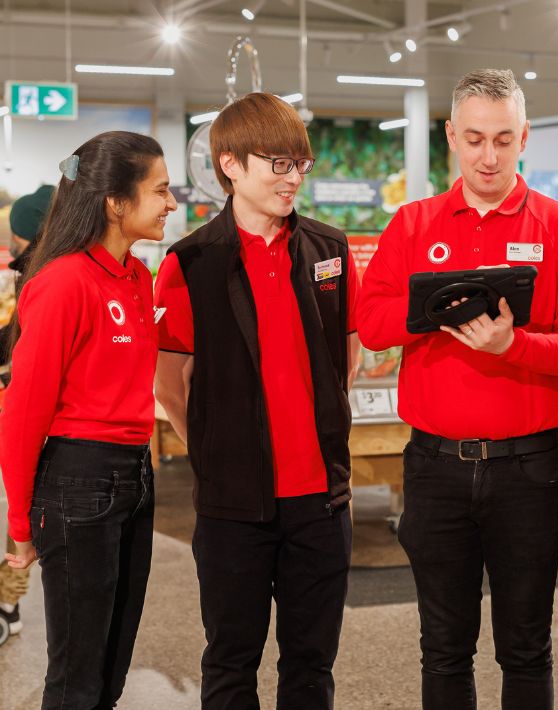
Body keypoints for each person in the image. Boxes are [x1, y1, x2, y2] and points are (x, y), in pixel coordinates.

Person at [357, 68, 558, 710]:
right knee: (443, 648)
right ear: (450, 138)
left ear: (525, 137)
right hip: (435, 467)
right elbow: (372, 325)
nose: (488, 156)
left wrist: (510, 345)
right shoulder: (412, 224)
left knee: (525, 647)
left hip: (529, 469)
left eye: (502, 139)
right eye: (474, 139)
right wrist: (434, 309)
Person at [154, 92, 359, 710]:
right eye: (277, 162)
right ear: (230, 165)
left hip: (322, 502)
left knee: (311, 666)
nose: (292, 177)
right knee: (231, 663)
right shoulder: (190, 263)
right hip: (233, 509)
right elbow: (170, 384)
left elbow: (343, 358)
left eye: (300, 163)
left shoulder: (331, 251)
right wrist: (220, 454)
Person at [0, 131, 176, 707]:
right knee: (76, 672)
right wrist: (21, 526)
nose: (171, 203)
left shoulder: (136, 276)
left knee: (111, 661)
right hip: (77, 480)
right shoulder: (61, 282)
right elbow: (24, 412)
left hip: (134, 476)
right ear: (116, 202)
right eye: (161, 191)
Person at [0, 183, 55, 639]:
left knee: (21, 521)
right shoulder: (33, 270)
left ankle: (6, 603)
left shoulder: (47, 274)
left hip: (46, 429)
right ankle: (8, 603)